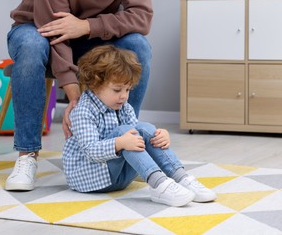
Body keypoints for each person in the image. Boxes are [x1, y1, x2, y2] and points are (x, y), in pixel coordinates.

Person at [5, 0, 153, 191]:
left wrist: (86, 26)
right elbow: (54, 31)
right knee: (31, 45)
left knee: (138, 45)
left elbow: (142, 18)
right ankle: (27, 154)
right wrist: (75, 99)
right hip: (37, 28)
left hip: (90, 37)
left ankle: (127, 144)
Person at [63, 45, 217, 207]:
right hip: (91, 179)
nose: (123, 96)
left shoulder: (123, 107)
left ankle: (181, 177)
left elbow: (138, 135)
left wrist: (159, 135)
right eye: (117, 90)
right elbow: (90, 151)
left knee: (145, 128)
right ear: (95, 84)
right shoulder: (82, 111)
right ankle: (159, 184)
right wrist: (120, 143)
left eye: (127, 89)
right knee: (126, 133)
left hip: (119, 177)